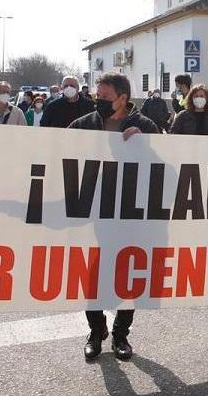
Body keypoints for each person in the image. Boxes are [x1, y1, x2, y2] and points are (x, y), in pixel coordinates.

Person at [68, 73, 160, 360]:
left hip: (130, 213)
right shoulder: (84, 125)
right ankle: (96, 331)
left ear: (123, 98)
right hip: (94, 211)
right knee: (94, 274)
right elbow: (56, 150)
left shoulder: (145, 126)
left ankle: (121, 334)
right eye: (98, 95)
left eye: (105, 97)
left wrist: (143, 146)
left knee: (127, 273)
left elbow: (164, 168)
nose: (99, 101)